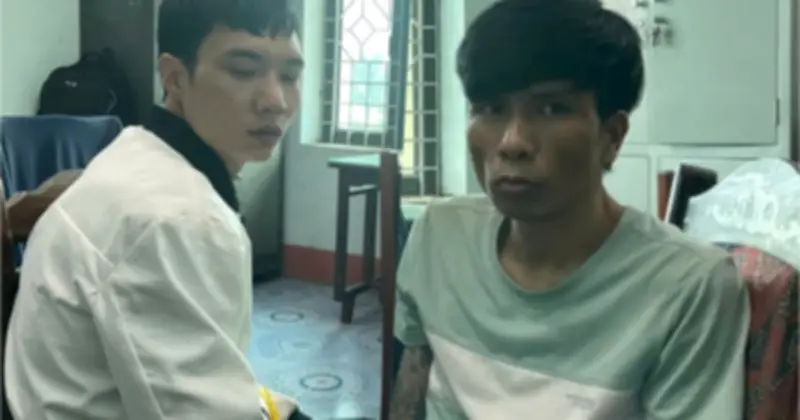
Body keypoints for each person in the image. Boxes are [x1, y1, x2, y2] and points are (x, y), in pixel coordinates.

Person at [390, 1, 749, 419]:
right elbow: (411, 388)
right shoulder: (439, 234)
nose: (512, 142)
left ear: (611, 136)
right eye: (490, 109)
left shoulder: (689, 287)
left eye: (551, 108)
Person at [3, 0, 304, 418]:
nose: (276, 100)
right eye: (243, 70)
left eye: (289, 75)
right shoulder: (176, 219)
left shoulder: (137, 150)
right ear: (175, 78)